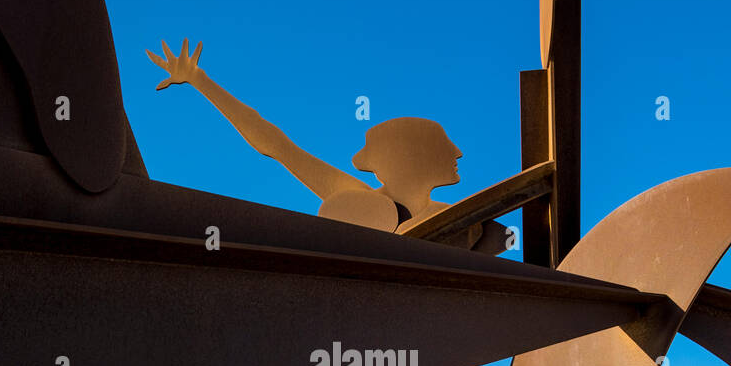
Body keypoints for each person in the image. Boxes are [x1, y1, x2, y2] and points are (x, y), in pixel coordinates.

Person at [146, 40, 506, 252]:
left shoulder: (462, 218)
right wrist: (199, 80)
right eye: (443, 144)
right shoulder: (366, 207)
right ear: (408, 155)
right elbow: (275, 144)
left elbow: (504, 246)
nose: (458, 152)